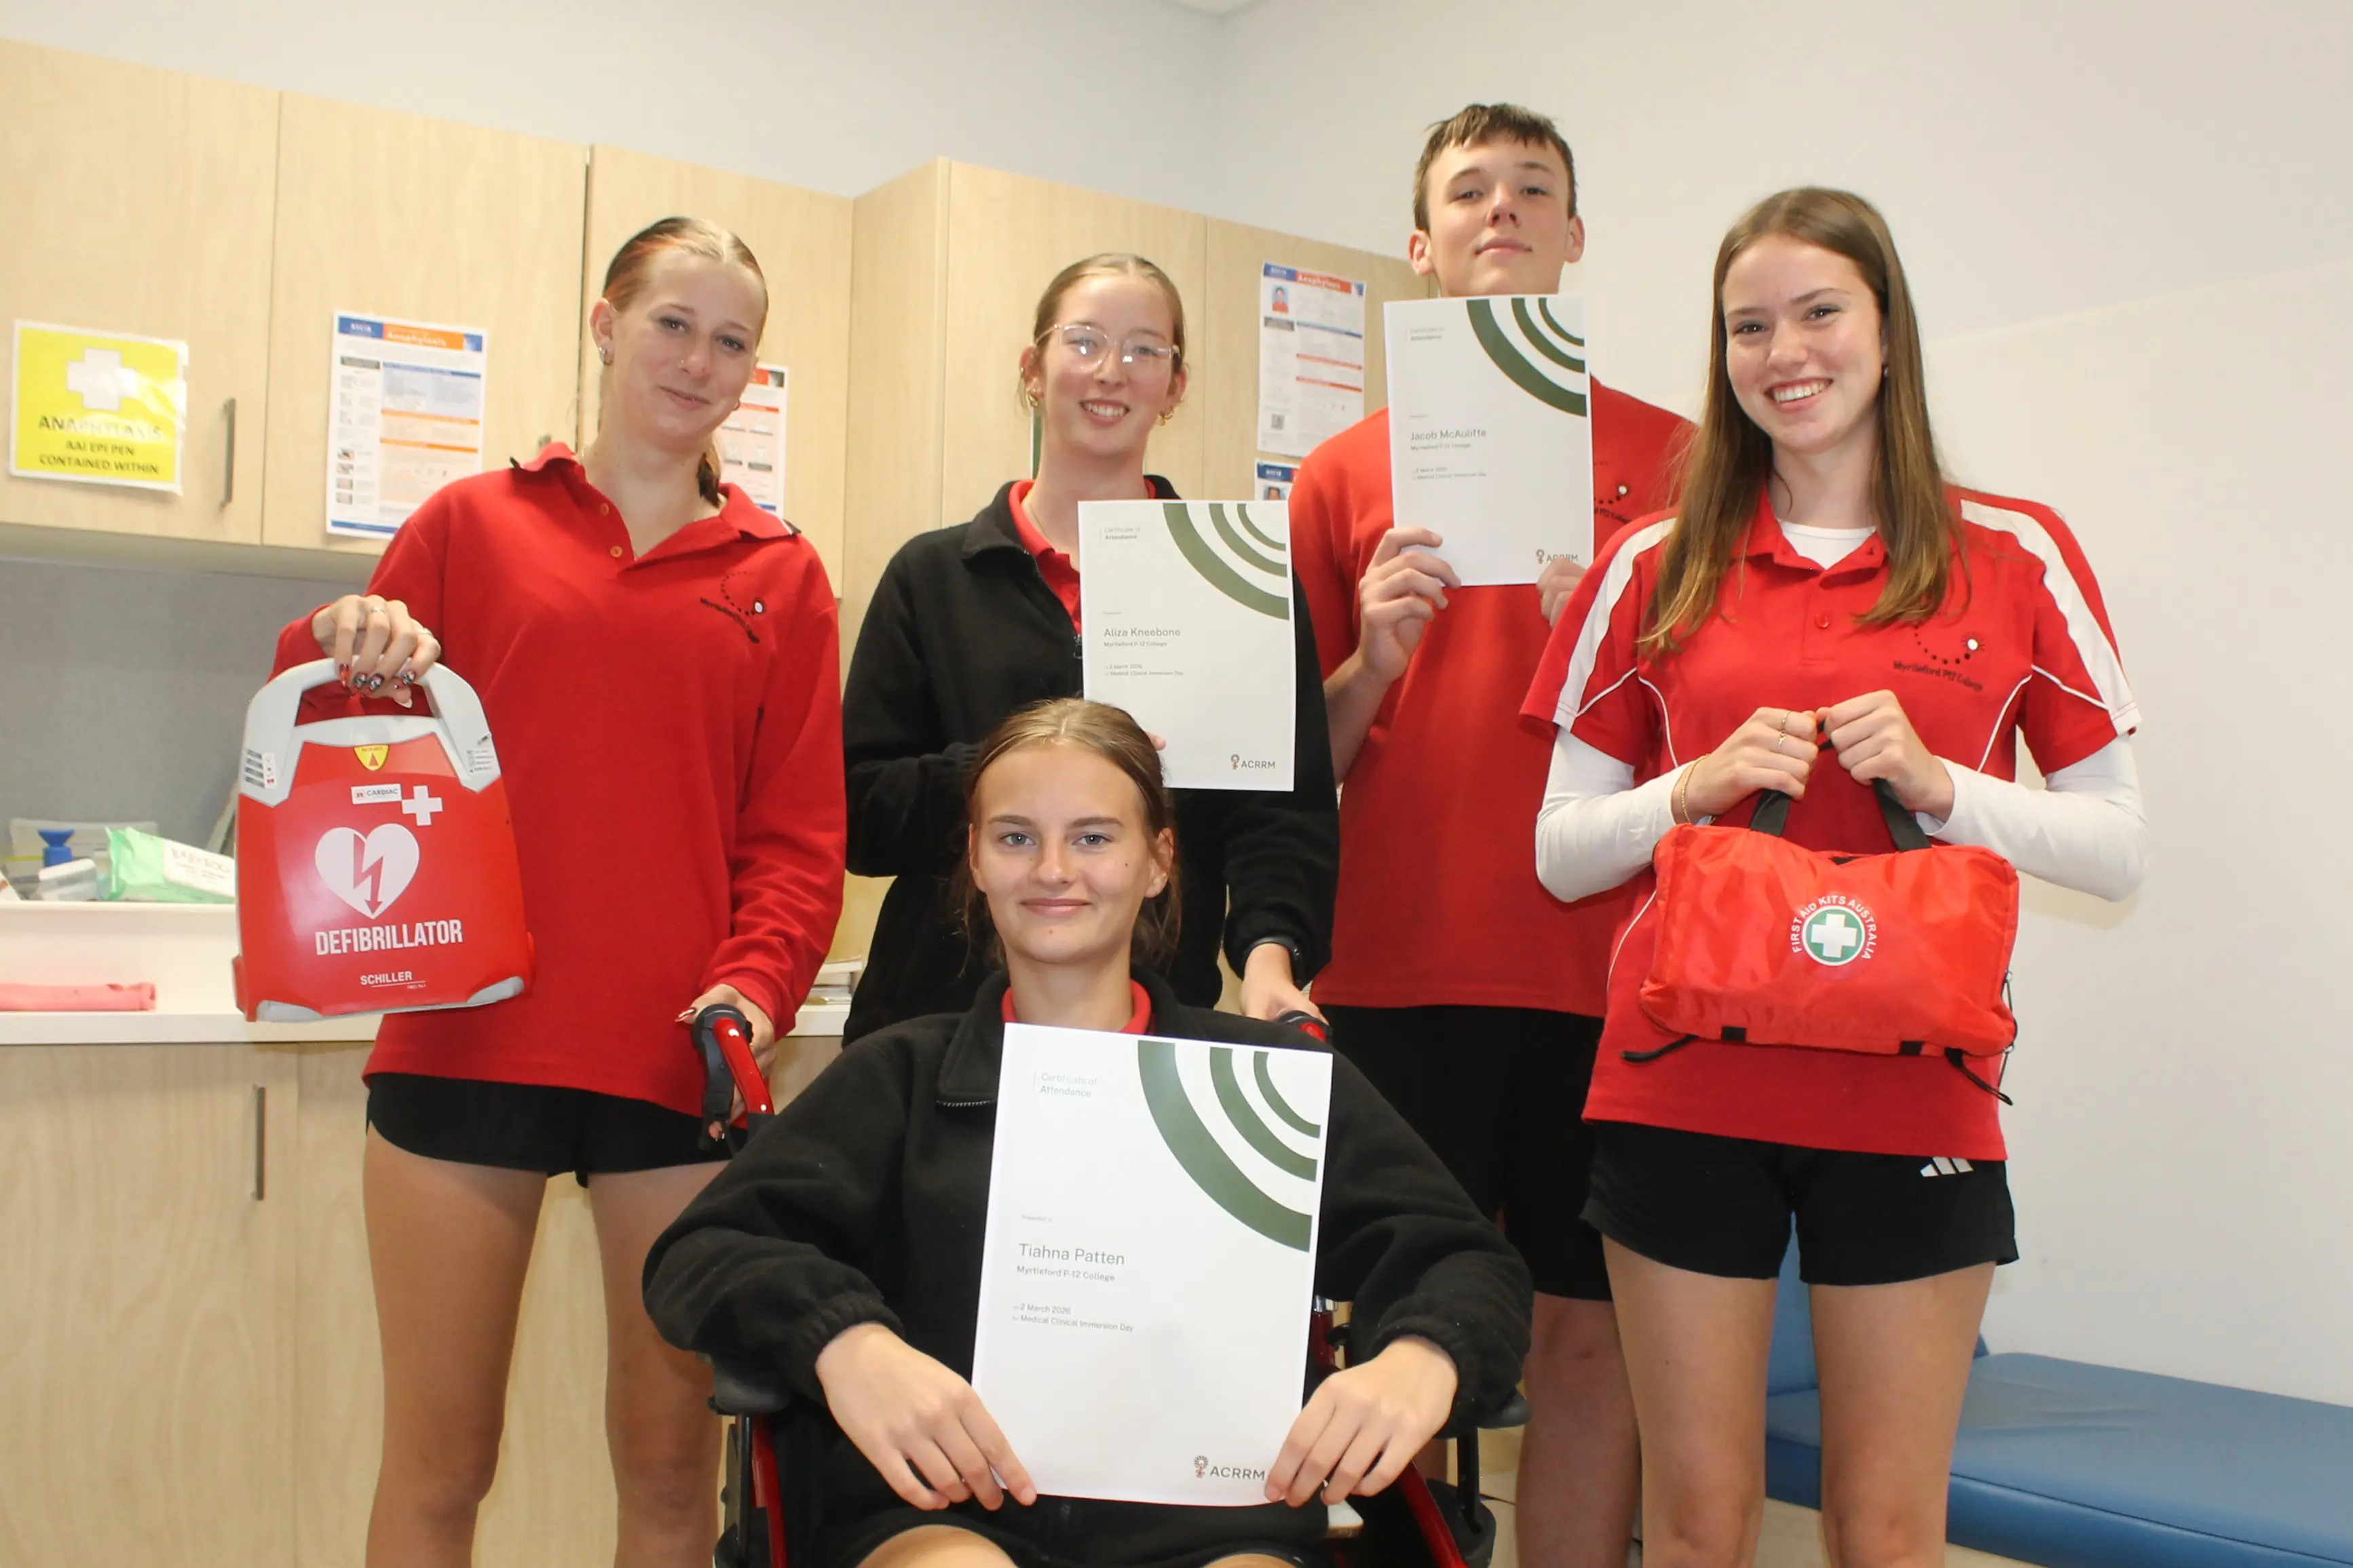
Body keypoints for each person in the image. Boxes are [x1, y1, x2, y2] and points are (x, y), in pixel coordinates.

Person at [1524, 187, 2146, 1568]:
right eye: (1746, 326)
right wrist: (1689, 785)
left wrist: (1941, 786)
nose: (1782, 352)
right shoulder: (1649, 560)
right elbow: (1558, 851)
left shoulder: (2013, 550)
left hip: (1913, 1087)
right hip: (1680, 1087)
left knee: (1884, 1529)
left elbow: (2115, 846)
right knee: (1697, 1523)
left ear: (1884, 329)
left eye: (1817, 313)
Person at [274, 216, 846, 1568]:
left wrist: (752, 988)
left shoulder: (782, 576)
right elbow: (328, 738)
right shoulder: (469, 525)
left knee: (667, 1475)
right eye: (671, 324)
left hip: (674, 1058)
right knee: (441, 1465)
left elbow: (795, 841)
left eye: (731, 341)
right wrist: (340, 638)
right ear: (605, 324)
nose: (698, 361)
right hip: (465, 1033)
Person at [644, 697, 1531, 1568]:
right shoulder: (899, 1076)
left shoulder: (1264, 1085)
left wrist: (1423, 1355)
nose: (1053, 868)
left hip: (1221, 1527)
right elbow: (705, 1248)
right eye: (1015, 837)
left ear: (1158, 860)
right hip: (943, 1511)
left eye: (1094, 837)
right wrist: (848, 1342)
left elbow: (1466, 1257)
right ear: (974, 859)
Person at [1283, 102, 1687, 1568]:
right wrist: (1370, 658)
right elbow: (1295, 768)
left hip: (1612, 975)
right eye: (1467, 191)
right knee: (1403, 1339)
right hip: (1402, 971)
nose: (1500, 209)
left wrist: (1616, 639)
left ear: (1574, 236)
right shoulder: (1338, 474)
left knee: (1590, 1342)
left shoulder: (1681, 460)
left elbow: (1718, 741)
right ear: (1419, 242)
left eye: (1531, 189)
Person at [842, 254, 1338, 1042]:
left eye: (1145, 350)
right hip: (937, 1022)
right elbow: (861, 814)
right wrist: (1023, 765)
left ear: (1174, 387)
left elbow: (1282, 815)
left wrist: (1270, 966)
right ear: (1032, 369)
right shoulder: (929, 576)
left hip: (1150, 1019)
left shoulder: (1235, 579)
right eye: (1083, 342)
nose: (1112, 371)